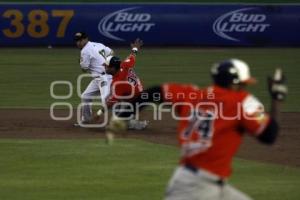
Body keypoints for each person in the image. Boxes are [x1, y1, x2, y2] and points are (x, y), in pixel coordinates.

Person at [107, 59, 288, 200]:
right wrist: (277, 98)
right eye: (243, 83)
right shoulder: (241, 101)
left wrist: (123, 115)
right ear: (234, 83)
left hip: (199, 183)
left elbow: (156, 92)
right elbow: (269, 135)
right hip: (197, 188)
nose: (244, 87)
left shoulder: (192, 94)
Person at [98, 38, 148, 130]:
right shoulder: (124, 64)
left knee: (113, 103)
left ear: (113, 68)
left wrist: (99, 113)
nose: (104, 67)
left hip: (138, 99)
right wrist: (135, 48)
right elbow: (132, 56)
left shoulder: (117, 83)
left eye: (106, 66)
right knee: (117, 99)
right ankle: (128, 117)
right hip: (139, 93)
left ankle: (134, 124)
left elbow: (111, 103)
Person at [74, 32, 113, 125]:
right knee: (85, 96)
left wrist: (80, 62)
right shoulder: (98, 44)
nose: (78, 43)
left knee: (106, 101)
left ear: (86, 39)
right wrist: (107, 62)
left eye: (80, 40)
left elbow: (84, 69)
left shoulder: (84, 51)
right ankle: (86, 120)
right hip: (98, 78)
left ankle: (127, 122)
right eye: (77, 41)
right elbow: (111, 52)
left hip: (105, 78)